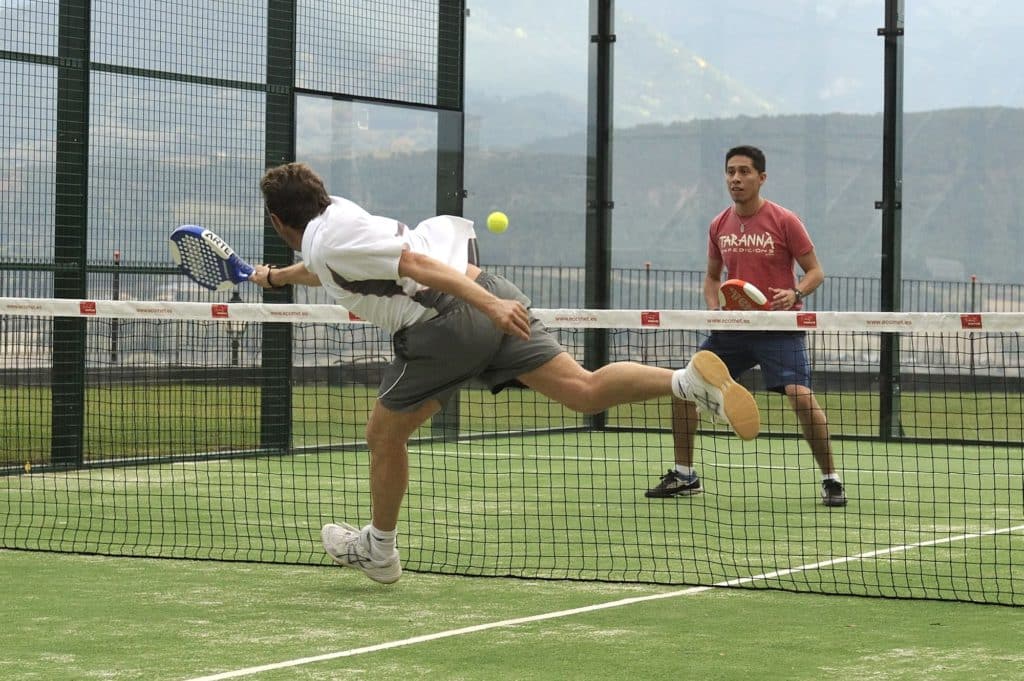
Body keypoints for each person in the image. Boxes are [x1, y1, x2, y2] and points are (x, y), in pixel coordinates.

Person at [253, 161, 761, 583]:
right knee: (583, 390)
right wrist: (275, 277)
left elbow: (413, 266)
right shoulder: (338, 215)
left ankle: (380, 552)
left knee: (383, 434)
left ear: (279, 222)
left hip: (445, 323)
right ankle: (684, 382)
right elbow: (328, 264)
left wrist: (488, 310)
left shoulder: (328, 241)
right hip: (486, 288)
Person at [646, 145, 848, 507]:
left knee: (801, 397)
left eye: (744, 172)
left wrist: (795, 292)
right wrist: (714, 309)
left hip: (777, 327)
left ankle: (831, 479)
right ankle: (685, 474)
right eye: (730, 172)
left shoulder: (785, 221)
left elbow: (816, 271)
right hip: (731, 331)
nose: (736, 179)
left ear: (761, 178)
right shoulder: (719, 224)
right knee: (682, 387)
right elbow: (711, 279)